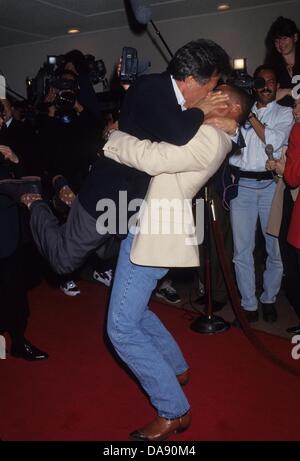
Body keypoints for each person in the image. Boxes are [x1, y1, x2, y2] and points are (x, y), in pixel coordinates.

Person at [0, 39, 233, 440]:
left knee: (120, 321)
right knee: (100, 287)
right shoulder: (155, 89)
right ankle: (33, 196)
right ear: (196, 78)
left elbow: (165, 150)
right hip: (121, 205)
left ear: (232, 111)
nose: (214, 96)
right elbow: (166, 133)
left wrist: (116, 139)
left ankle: (174, 407)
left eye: (221, 96)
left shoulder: (211, 136)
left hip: (146, 222)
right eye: (213, 87)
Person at [229, 65, 293, 324]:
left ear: (277, 86)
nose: (266, 86)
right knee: (241, 250)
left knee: (274, 249)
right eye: (261, 81)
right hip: (242, 187)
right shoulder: (240, 107)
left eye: (271, 81)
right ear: (254, 86)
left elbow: (274, 141)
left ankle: (268, 298)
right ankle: (248, 303)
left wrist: (250, 116)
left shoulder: (286, 113)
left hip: (270, 187)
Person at [0, 106, 48, 361]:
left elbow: (30, 178)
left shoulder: (7, 150)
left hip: (10, 232)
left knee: (15, 290)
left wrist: (16, 160)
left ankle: (18, 341)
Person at [266, 98, 300, 333]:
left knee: (293, 264)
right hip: (291, 201)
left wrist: (282, 168)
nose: (295, 109)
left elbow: (294, 176)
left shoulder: (298, 130)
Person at [265, 16, 300, 107]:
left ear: (295, 37)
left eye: (284, 38)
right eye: (277, 41)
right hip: (283, 117)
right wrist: (288, 92)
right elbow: (266, 98)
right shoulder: (271, 67)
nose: (281, 44)